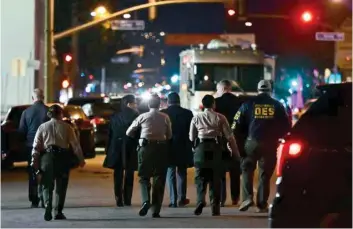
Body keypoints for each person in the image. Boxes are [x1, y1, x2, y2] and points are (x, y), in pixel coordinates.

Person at [231, 80, 291, 213]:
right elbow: (286, 126)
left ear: (258, 89)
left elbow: (235, 125)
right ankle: (261, 204)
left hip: (251, 142)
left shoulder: (247, 104)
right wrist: (278, 137)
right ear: (270, 90)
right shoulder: (278, 105)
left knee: (247, 169)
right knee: (265, 175)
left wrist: (241, 141)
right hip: (270, 143)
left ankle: (247, 198)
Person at [31, 104, 86, 221]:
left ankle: (47, 205)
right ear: (61, 114)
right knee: (61, 186)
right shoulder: (67, 127)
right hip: (62, 158)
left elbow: (36, 147)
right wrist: (81, 160)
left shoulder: (42, 127)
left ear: (49, 115)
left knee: (46, 184)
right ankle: (58, 211)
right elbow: (75, 145)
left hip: (47, 157)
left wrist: (34, 163)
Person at [190, 95, 240, 216]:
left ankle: (200, 200)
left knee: (200, 177)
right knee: (215, 178)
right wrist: (235, 152)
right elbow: (229, 137)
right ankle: (215, 208)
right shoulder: (220, 117)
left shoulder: (196, 118)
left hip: (201, 148)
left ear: (202, 105)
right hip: (216, 148)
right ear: (213, 104)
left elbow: (192, 137)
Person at [126, 94, 172, 218]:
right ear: (159, 105)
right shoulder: (165, 117)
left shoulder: (143, 116)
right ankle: (156, 210)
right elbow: (169, 135)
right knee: (159, 178)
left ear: (148, 105)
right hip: (161, 148)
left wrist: (140, 138)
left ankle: (146, 200)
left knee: (144, 176)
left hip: (145, 148)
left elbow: (129, 132)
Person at [103, 95, 139, 207]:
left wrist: (108, 149)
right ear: (129, 104)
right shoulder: (135, 116)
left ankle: (118, 199)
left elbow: (110, 134)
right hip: (131, 146)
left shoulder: (114, 116)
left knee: (117, 174)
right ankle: (127, 199)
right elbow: (138, 134)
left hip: (116, 147)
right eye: (134, 103)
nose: (136, 105)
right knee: (129, 173)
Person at [161, 92, 193, 208]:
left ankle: (173, 200)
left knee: (170, 172)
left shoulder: (163, 113)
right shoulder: (188, 113)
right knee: (182, 172)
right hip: (183, 146)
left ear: (168, 102)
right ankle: (182, 198)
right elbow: (191, 131)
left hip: (168, 146)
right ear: (179, 101)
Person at [18, 88, 49, 208]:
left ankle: (34, 199)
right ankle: (45, 197)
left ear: (32, 98)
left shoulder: (26, 112)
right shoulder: (48, 111)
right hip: (45, 147)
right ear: (43, 97)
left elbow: (21, 131)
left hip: (31, 146)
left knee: (32, 173)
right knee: (45, 172)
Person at [215, 80, 241, 207]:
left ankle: (221, 198)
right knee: (235, 170)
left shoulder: (216, 102)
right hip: (237, 138)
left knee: (220, 170)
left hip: (221, 140)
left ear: (223, 88)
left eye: (218, 89)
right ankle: (235, 197)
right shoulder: (239, 101)